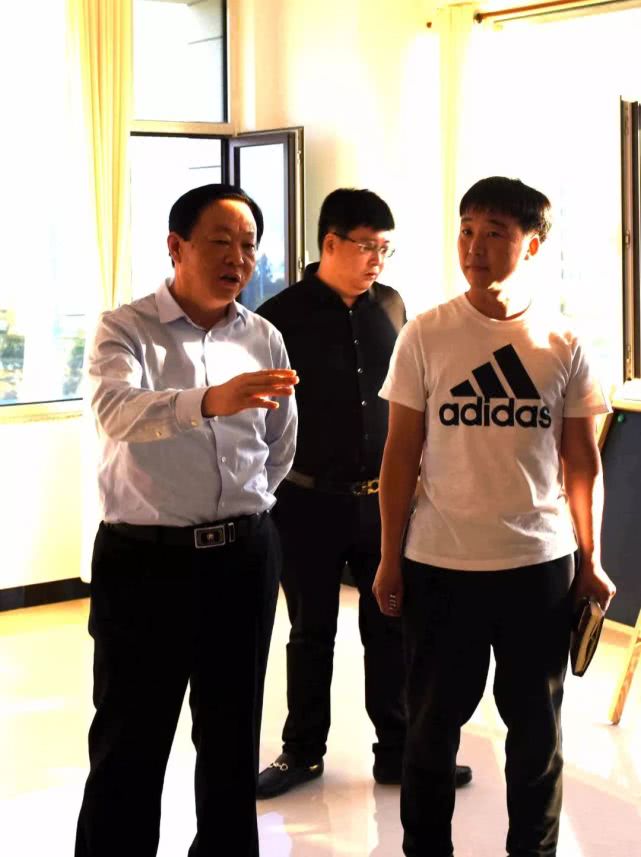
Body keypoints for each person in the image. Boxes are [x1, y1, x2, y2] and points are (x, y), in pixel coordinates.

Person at [373, 176, 616, 856]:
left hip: (537, 567)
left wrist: (591, 559)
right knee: (430, 731)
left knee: (536, 735)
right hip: (439, 564)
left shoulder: (563, 341)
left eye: (495, 233)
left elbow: (581, 463)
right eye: (467, 230)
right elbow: (400, 456)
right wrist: (389, 557)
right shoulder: (426, 333)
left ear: (531, 245)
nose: (474, 246)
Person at [75, 184, 298, 857]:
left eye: (249, 246)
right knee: (130, 741)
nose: (238, 259)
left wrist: (244, 512)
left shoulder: (263, 336)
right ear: (176, 246)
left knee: (232, 740)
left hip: (242, 558)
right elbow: (116, 411)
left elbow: (279, 446)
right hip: (145, 562)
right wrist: (207, 401)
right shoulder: (124, 328)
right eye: (220, 242)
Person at [255, 188, 472, 798]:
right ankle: (302, 752)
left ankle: (397, 752)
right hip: (305, 503)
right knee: (311, 631)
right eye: (368, 246)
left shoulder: (394, 307)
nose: (378, 259)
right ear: (331, 243)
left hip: (383, 502)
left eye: (386, 249)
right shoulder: (279, 316)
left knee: (391, 625)